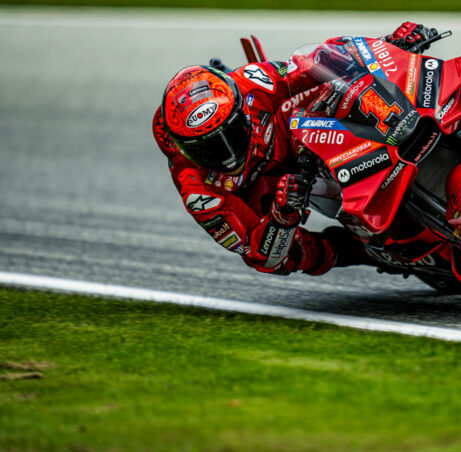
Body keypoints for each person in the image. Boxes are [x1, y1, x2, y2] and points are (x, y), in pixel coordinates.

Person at [152, 22, 437, 276]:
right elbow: (260, 256)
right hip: (266, 188)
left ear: (241, 111)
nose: (227, 155)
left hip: (293, 136)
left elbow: (312, 65)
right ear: (186, 151)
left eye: (231, 134)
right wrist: (282, 213)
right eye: (209, 150)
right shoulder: (197, 191)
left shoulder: (252, 82)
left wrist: (388, 46)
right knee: (285, 259)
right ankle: (359, 251)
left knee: (334, 86)